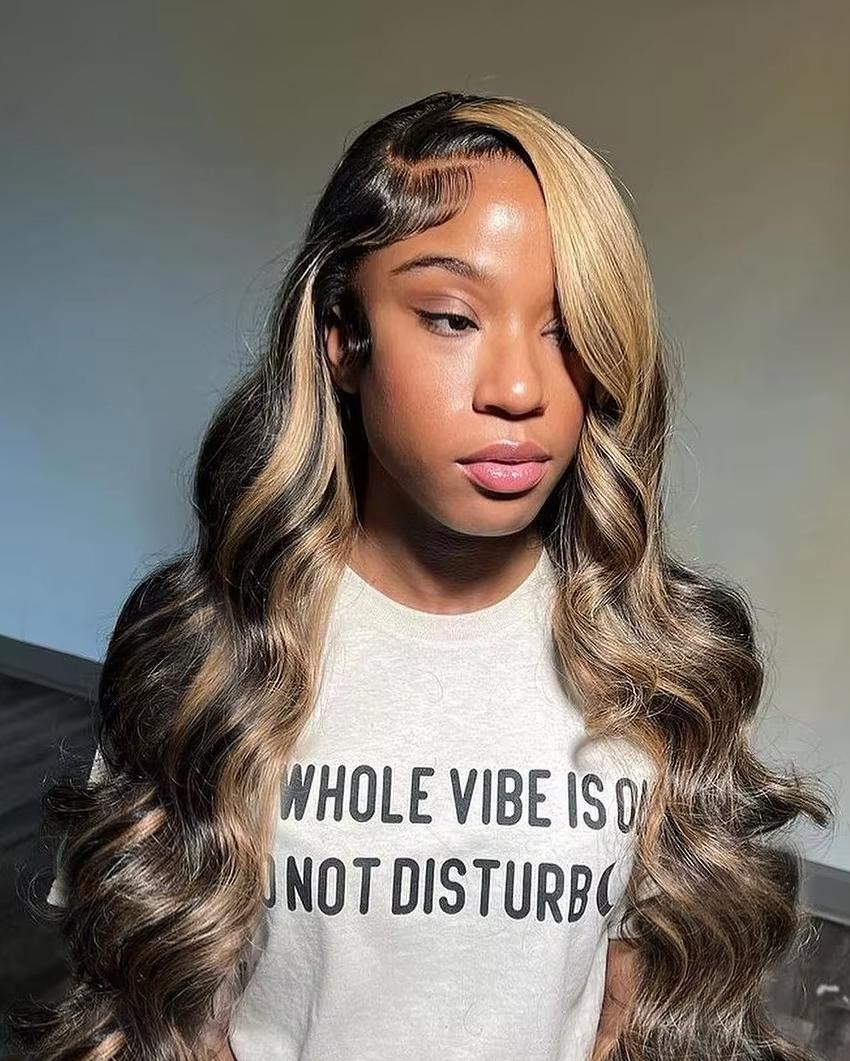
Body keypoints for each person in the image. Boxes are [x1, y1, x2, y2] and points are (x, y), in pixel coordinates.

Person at [10, 91, 832, 1061]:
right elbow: (165, 1010)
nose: (519, 388)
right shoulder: (202, 648)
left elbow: (631, 1004)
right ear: (342, 339)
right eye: (450, 317)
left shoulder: (662, 655)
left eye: (568, 327)